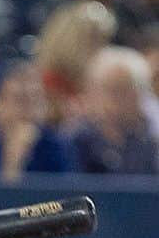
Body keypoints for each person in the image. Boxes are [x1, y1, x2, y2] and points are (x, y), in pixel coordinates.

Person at [0, 62, 72, 178]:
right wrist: (12, 162)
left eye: (35, 100)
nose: (27, 110)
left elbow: (69, 191)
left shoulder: (56, 146)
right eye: (20, 100)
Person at [66, 45, 158, 174]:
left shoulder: (152, 140)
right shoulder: (75, 138)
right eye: (109, 89)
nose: (115, 99)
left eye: (124, 90)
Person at [34, 0, 116, 125]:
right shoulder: (47, 81)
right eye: (93, 38)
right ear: (69, 38)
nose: (101, 47)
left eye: (104, 39)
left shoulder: (103, 79)